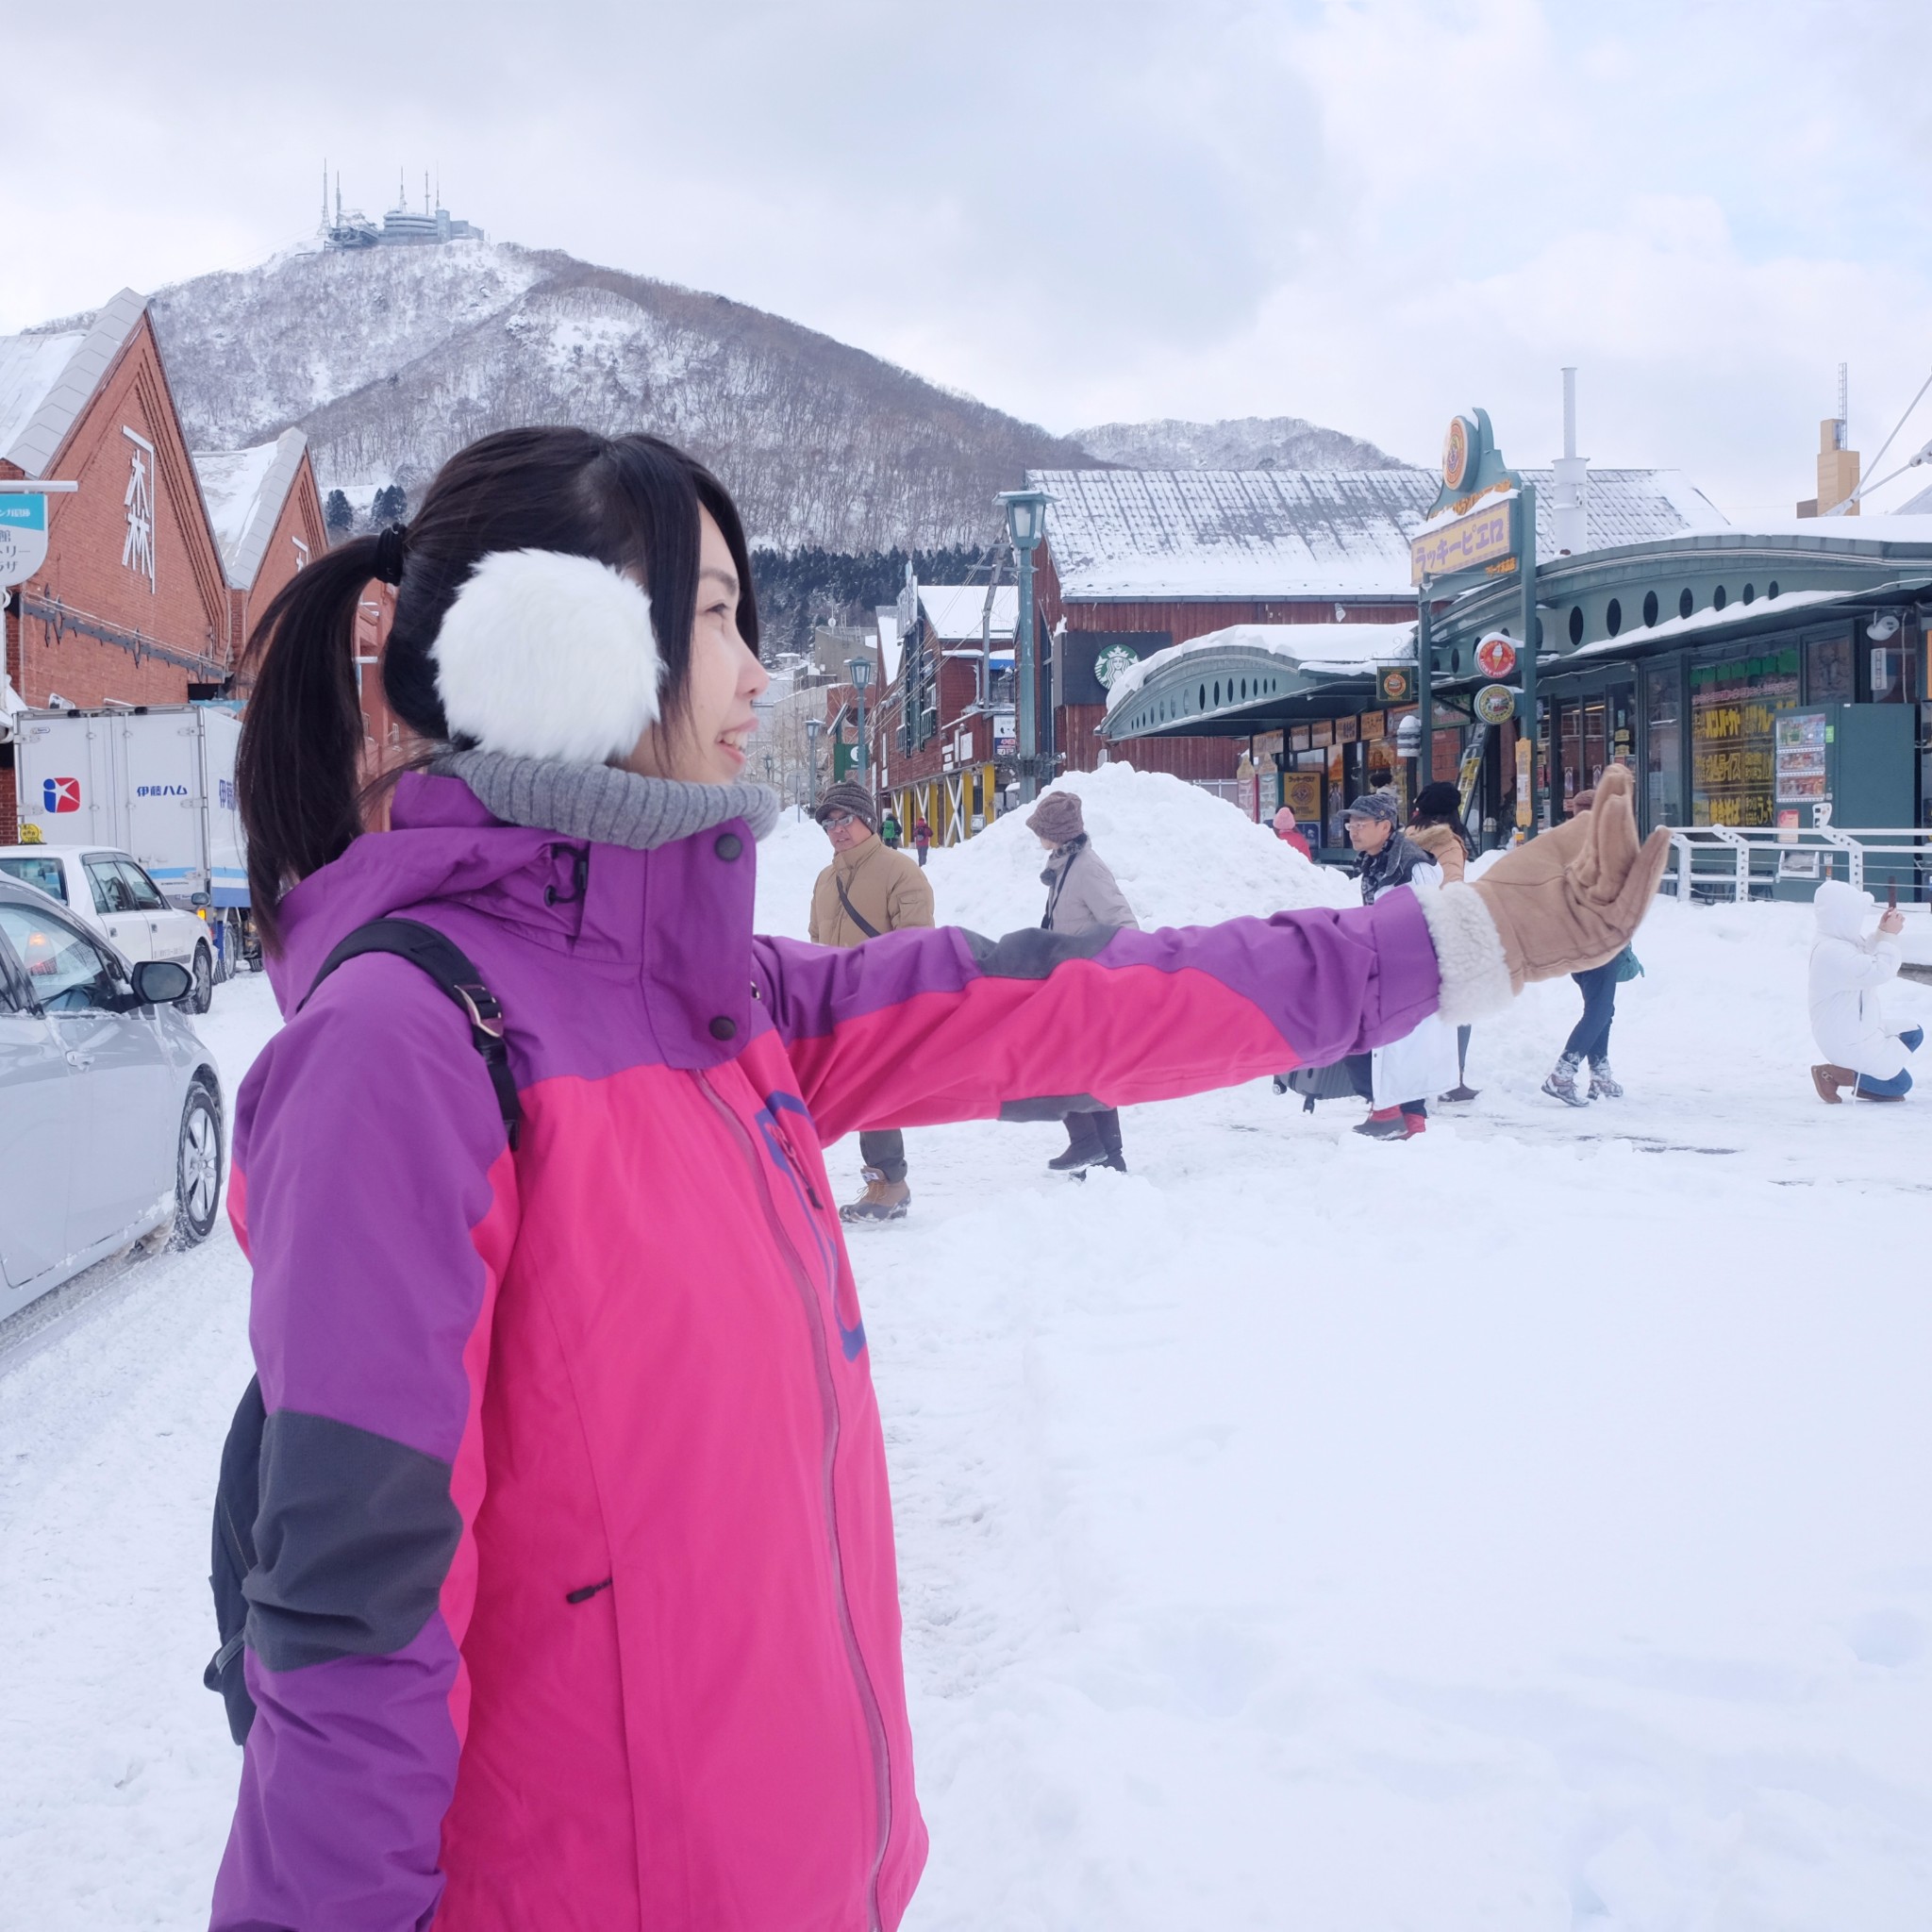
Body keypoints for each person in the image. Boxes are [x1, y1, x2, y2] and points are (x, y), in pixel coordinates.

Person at [210, 420, 1666, 1932]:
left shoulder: (724, 1008)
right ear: (561, 653)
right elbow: (348, 1637)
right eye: (713, 617)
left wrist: (1447, 944)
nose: (756, 672)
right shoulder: (411, 1048)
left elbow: (1080, 995)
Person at [809, 778, 935, 1218]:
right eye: (829, 822)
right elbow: (815, 942)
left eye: (846, 819)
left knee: (871, 1094)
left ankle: (889, 1183)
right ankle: (874, 1179)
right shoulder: (826, 878)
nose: (838, 829)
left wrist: (891, 1001)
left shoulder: (900, 871)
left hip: (881, 1006)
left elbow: (916, 945)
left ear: (866, 819)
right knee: (845, 1096)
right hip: (836, 1008)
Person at [1028, 788, 1138, 1173]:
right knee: (1091, 1071)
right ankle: (1110, 1158)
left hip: (1088, 987)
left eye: (1040, 829)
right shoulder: (1065, 864)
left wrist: (1112, 973)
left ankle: (1088, 1143)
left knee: (1059, 1065)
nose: (1035, 835)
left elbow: (1123, 923)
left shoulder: (1086, 868)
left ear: (1057, 831)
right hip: (1069, 984)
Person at [1340, 791, 1457, 1139]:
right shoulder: (1375, 861)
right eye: (1351, 823)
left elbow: (1430, 914)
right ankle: (1396, 1115)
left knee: (1395, 1042)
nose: (1353, 830)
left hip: (1410, 968)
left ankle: (1396, 1115)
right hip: (1385, 963)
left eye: (1361, 823)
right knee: (1388, 1042)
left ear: (1385, 825)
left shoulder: (1413, 864)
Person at [1539, 788, 1638, 1107]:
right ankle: (1562, 1074)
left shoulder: (1560, 846)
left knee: (1600, 1007)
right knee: (1599, 1009)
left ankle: (1600, 1074)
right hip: (1598, 937)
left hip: (1569, 938)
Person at [1808, 878, 1923, 1101]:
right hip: (1847, 1038)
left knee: (1913, 1032)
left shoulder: (1838, 942)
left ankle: (1871, 1068)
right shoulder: (1831, 951)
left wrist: (1882, 931)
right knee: (1900, 1084)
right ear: (1843, 915)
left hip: (1857, 1028)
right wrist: (1890, 936)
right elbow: (1879, 971)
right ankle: (1834, 1074)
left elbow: (1865, 955)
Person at [1409, 780, 1478, 1103]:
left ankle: (1414, 1074)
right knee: (1461, 1003)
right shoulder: (1448, 843)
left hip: (1406, 926)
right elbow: (1452, 885)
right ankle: (1453, 1079)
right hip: (1440, 929)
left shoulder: (1405, 836)